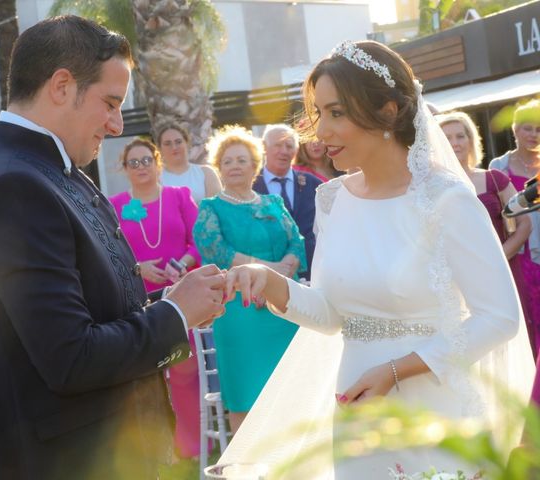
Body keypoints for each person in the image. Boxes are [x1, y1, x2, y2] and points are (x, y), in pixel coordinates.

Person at [219, 40, 535, 478]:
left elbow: (499, 317)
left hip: (432, 409)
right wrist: (267, 281)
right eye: (318, 114)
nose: (320, 132)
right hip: (356, 409)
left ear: (387, 111)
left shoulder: (446, 200)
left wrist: (396, 370)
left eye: (336, 113)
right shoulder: (332, 201)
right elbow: (332, 314)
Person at [0, 15, 225, 480]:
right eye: (110, 102)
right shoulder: (15, 185)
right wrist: (176, 316)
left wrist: (179, 303)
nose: (117, 124)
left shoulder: (50, 171)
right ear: (61, 86)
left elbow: (91, 311)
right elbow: (71, 359)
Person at [193, 125, 306, 432]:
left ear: (255, 166)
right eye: (228, 161)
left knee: (290, 391)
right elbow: (219, 252)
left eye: (242, 160)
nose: (234, 166)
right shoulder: (211, 209)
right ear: (219, 167)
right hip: (239, 311)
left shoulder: (274, 204)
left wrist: (285, 266)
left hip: (282, 310)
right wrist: (267, 271)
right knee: (245, 394)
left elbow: (296, 241)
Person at [109, 137, 203, 459]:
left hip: (181, 293)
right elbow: (109, 254)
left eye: (146, 160)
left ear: (157, 162)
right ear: (124, 168)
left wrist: (184, 264)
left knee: (184, 368)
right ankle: (155, 445)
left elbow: (198, 241)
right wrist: (138, 268)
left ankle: (190, 443)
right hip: (138, 297)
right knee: (147, 372)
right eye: (133, 162)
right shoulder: (116, 205)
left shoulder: (178, 197)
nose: (141, 167)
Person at [438, 111, 535, 355]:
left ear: (471, 140)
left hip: (505, 270)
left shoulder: (494, 178)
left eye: (460, 136)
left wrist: (497, 258)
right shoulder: (430, 187)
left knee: (514, 338)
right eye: (447, 137)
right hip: (458, 280)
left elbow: (524, 224)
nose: (455, 143)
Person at [489, 99, 540, 360]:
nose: (533, 135)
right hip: (517, 255)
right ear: (515, 130)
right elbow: (497, 216)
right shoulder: (498, 167)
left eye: (539, 129)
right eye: (527, 128)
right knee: (525, 320)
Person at [253, 124, 322, 280]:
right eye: (277, 145)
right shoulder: (251, 186)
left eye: (289, 146)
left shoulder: (313, 185)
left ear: (296, 151)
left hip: (313, 273)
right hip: (268, 275)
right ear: (264, 147)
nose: (284, 151)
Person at [157, 123, 222, 203]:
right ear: (159, 149)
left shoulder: (206, 173)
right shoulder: (155, 178)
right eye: (167, 143)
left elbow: (216, 208)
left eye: (178, 142)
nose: (174, 147)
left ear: (187, 143)